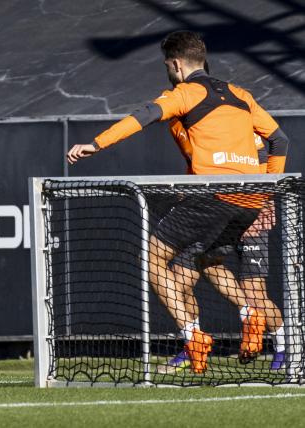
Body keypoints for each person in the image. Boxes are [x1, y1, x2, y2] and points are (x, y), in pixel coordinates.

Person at [67, 30, 289, 373]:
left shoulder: (184, 94)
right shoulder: (240, 94)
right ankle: (240, 321)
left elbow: (141, 117)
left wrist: (96, 144)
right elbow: (279, 140)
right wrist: (266, 189)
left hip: (214, 197)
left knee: (153, 261)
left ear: (174, 64)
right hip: (248, 200)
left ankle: (196, 336)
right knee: (205, 265)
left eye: (166, 66)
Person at [161, 120, 285, 373]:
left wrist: (264, 201)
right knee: (179, 281)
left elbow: (273, 150)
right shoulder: (188, 127)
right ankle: (192, 343)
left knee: (255, 293)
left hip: (250, 214)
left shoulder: (239, 123)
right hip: (215, 216)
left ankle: (285, 347)